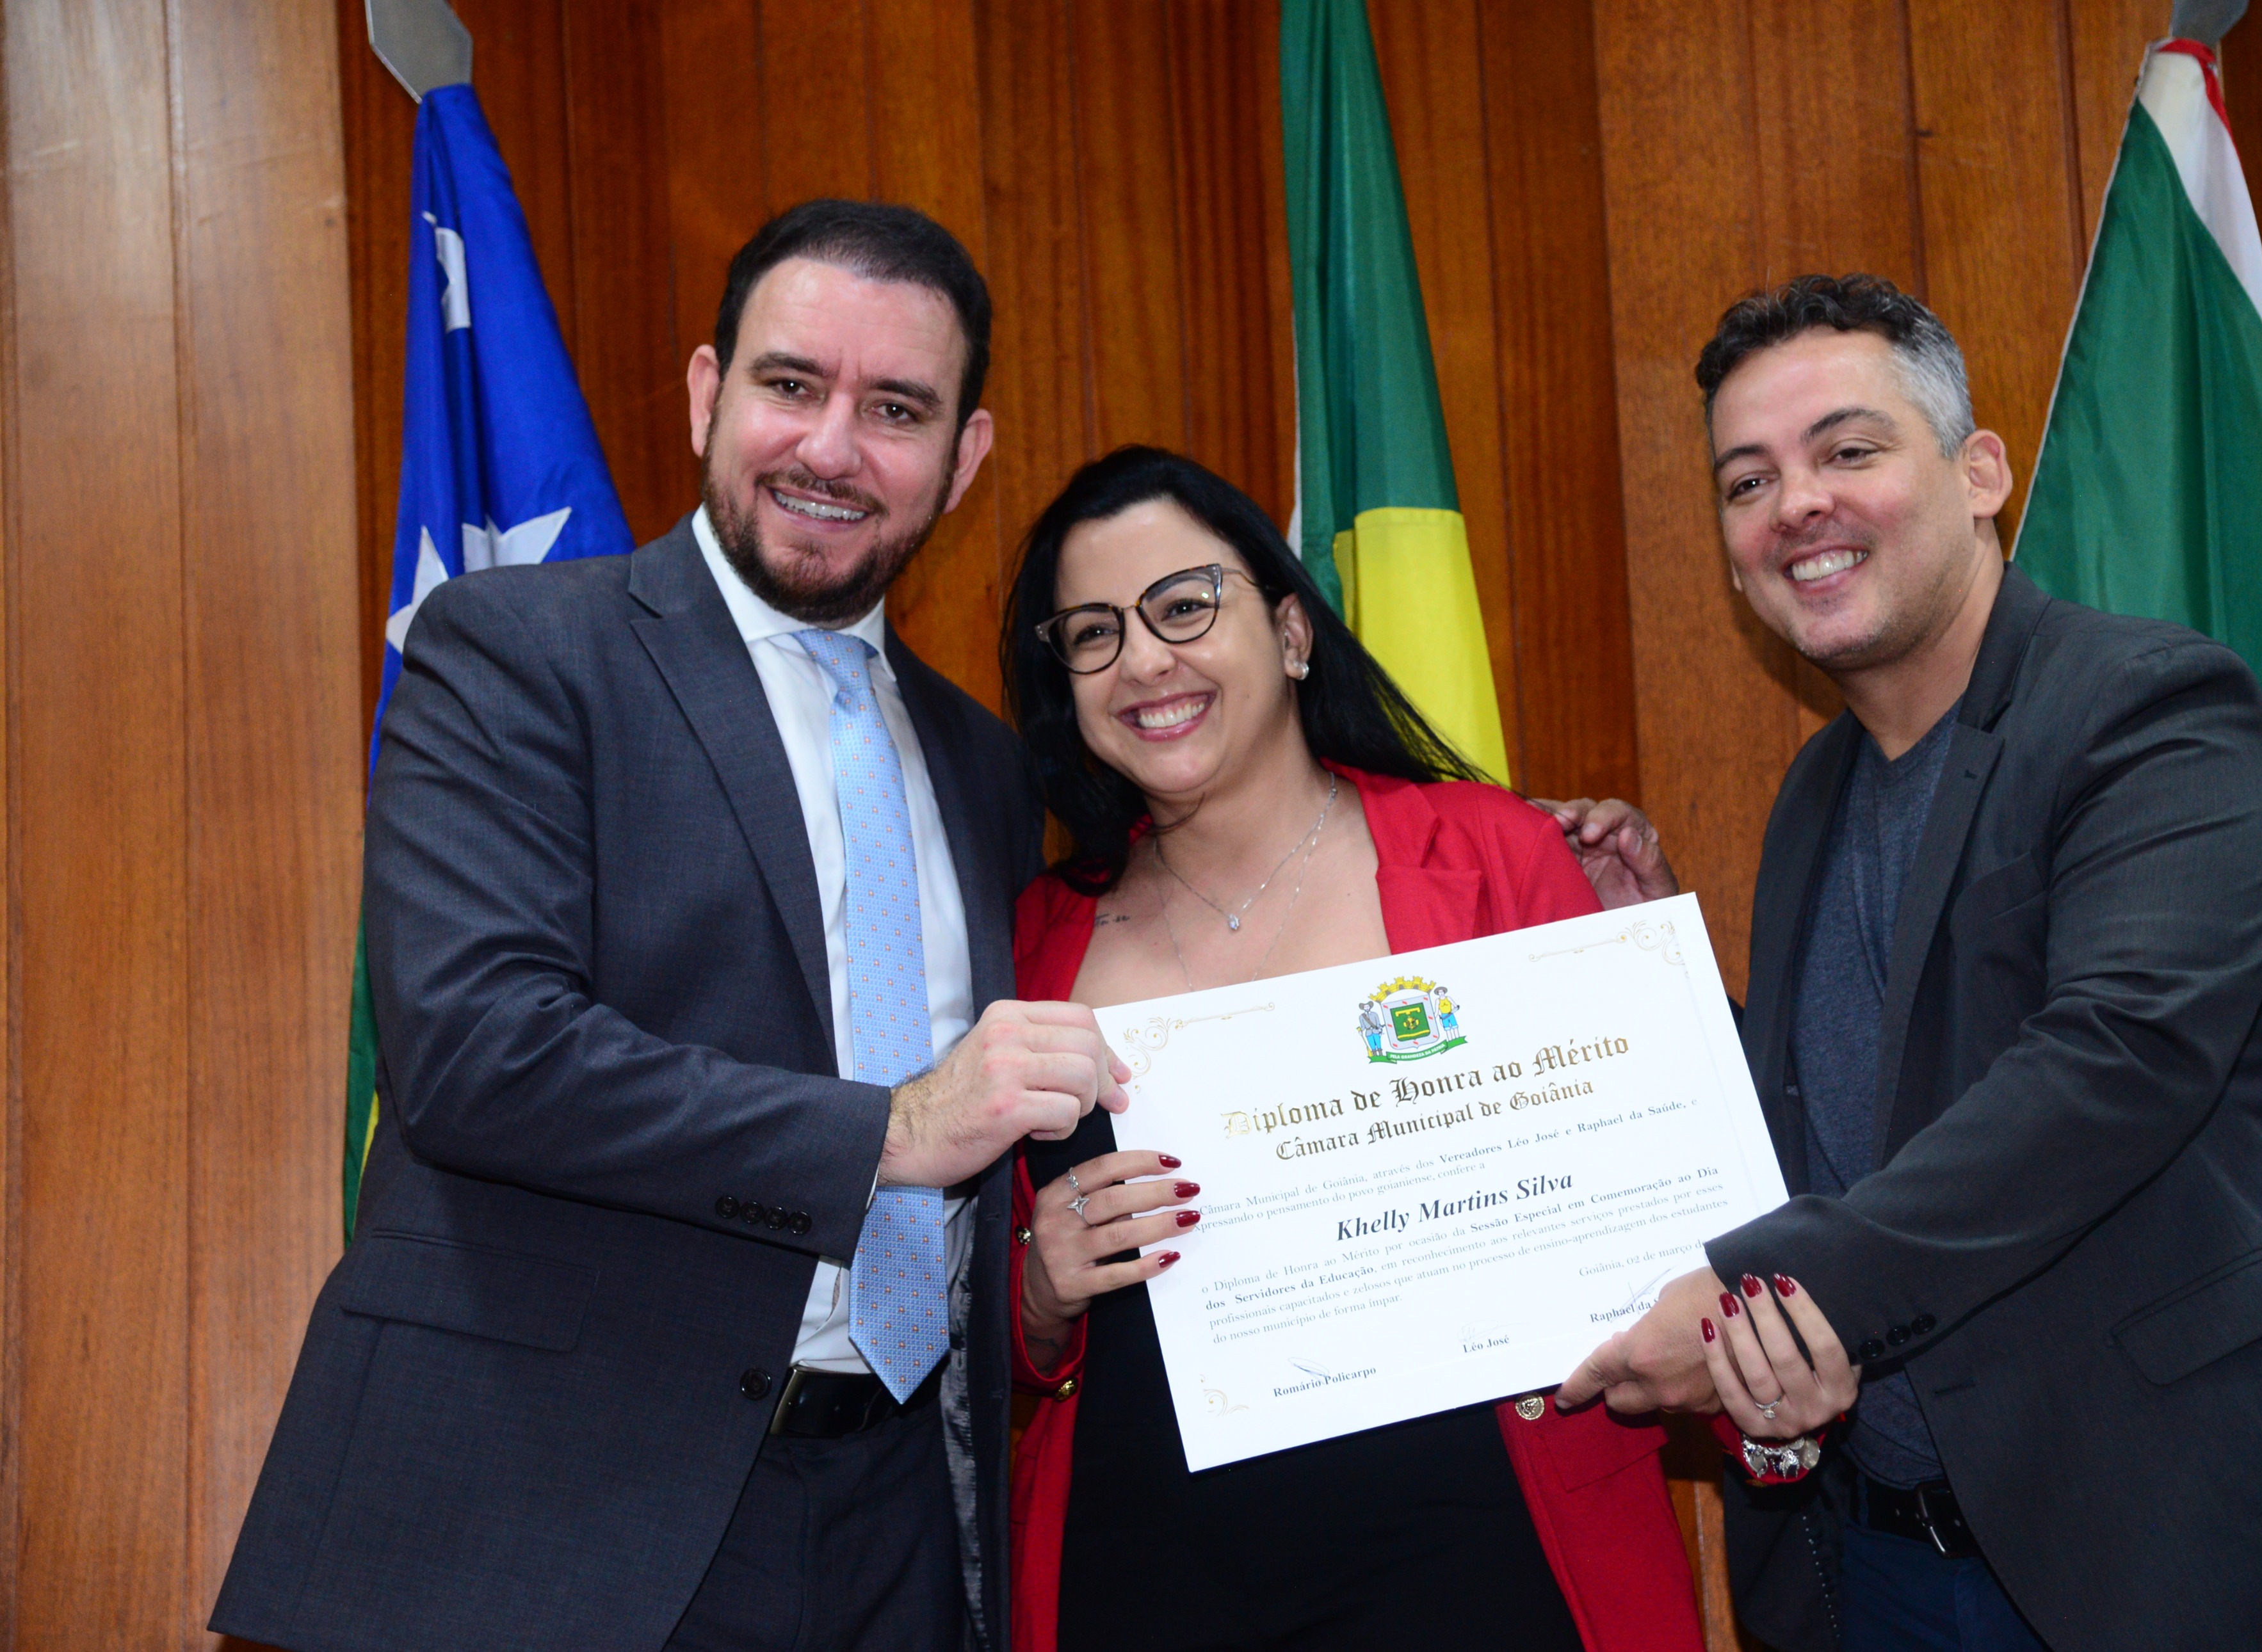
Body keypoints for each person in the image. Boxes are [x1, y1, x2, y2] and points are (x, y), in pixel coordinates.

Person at [212, 200, 1133, 1651]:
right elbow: (478, 1054)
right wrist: (895, 1129)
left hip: (899, 1526)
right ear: (709, 393)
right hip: (551, 1511)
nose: (831, 447)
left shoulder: (989, 766)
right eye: (791, 384)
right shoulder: (514, 648)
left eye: (895, 409)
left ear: (964, 458)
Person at [1557, 275, 2262, 1650]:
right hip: (1883, 1559)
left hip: (2175, 1547)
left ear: (1979, 473)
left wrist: (1774, 1285)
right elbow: (1859, 1116)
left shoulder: (2152, 707)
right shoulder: (1816, 789)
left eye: (1847, 449)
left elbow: (2116, 1062)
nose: (1795, 503)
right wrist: (1655, 966)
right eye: (1747, 481)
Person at [997, 445, 1836, 1652]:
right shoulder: (1037, 933)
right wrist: (1037, 1292)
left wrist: (1763, 1399)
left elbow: (1655, 1226)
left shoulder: (1496, 858)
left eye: (1185, 605)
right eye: (1093, 632)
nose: (1143, 660)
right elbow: (1005, 1327)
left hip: (1489, 1573)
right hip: (1140, 1582)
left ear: (1293, 631)